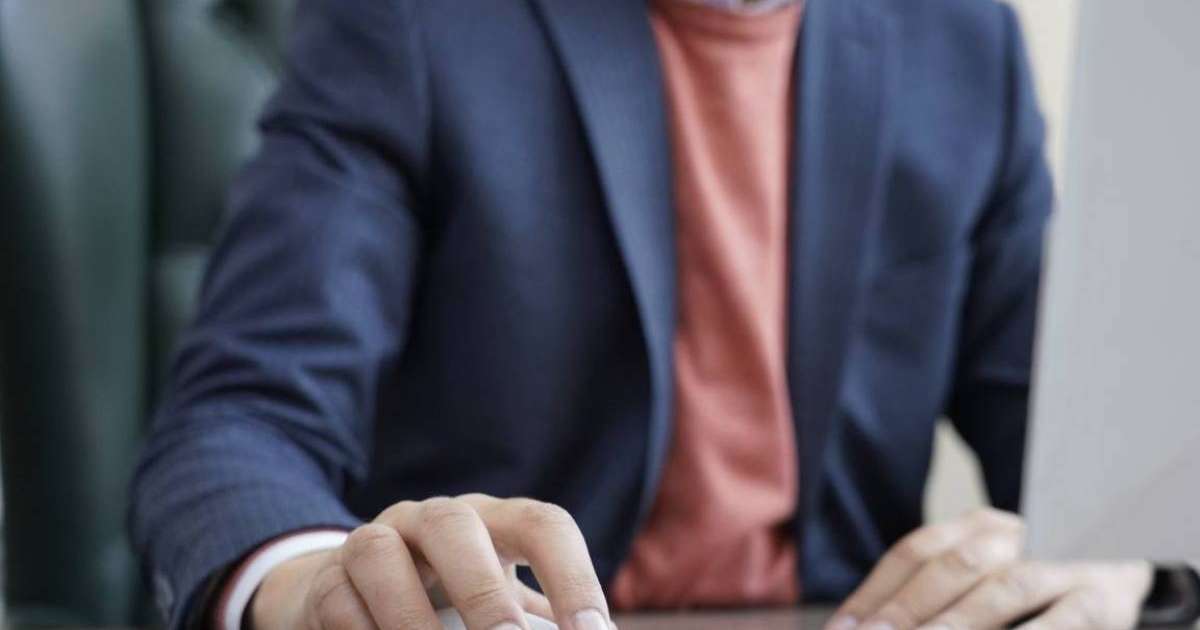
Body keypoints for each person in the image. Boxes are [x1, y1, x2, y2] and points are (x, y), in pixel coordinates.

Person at [128, 0, 1196, 629]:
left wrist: (1120, 556)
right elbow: (232, 422)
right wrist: (310, 579)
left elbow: (1077, 458)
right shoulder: (414, 22)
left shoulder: (960, 39)